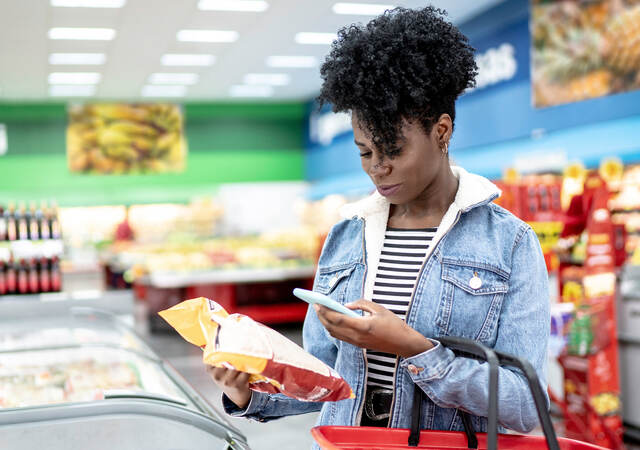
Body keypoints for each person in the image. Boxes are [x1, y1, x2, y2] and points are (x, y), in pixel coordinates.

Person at [207, 5, 550, 440]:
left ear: (441, 131)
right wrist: (248, 389)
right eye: (366, 152)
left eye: (393, 150)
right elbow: (327, 379)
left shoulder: (509, 244)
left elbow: (522, 405)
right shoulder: (346, 236)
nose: (377, 168)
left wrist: (414, 349)